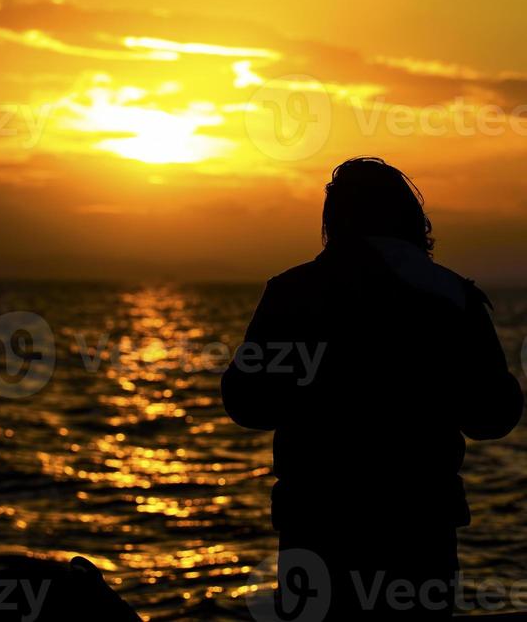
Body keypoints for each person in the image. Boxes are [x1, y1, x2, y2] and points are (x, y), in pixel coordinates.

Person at [221, 157, 523, 619]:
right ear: (411, 219)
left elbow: (247, 402)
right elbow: (494, 416)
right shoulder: (453, 296)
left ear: (332, 222)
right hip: (420, 531)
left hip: (318, 525)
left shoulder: (292, 292)